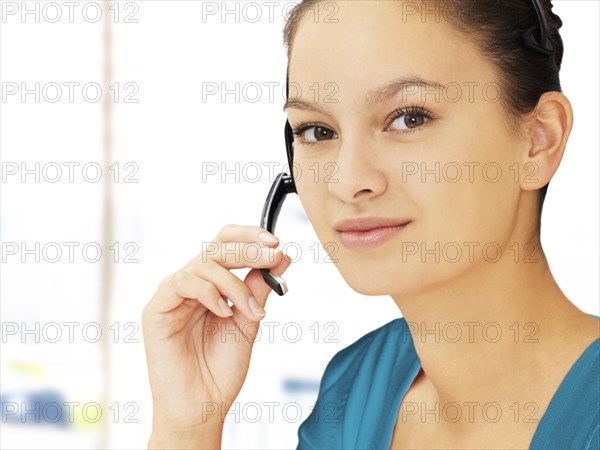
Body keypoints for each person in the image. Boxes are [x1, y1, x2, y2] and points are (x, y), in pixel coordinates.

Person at [142, 0, 600, 448]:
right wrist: (187, 426)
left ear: (539, 140)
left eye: (409, 118)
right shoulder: (355, 389)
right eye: (317, 131)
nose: (348, 181)